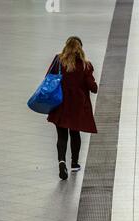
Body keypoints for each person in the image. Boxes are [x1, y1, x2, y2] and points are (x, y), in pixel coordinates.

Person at [46, 36, 98, 180]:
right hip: (76, 107)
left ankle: (61, 162)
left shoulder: (58, 60)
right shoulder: (85, 65)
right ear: (80, 48)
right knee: (75, 134)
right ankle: (74, 163)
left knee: (61, 136)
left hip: (60, 104)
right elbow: (93, 88)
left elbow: (48, 78)